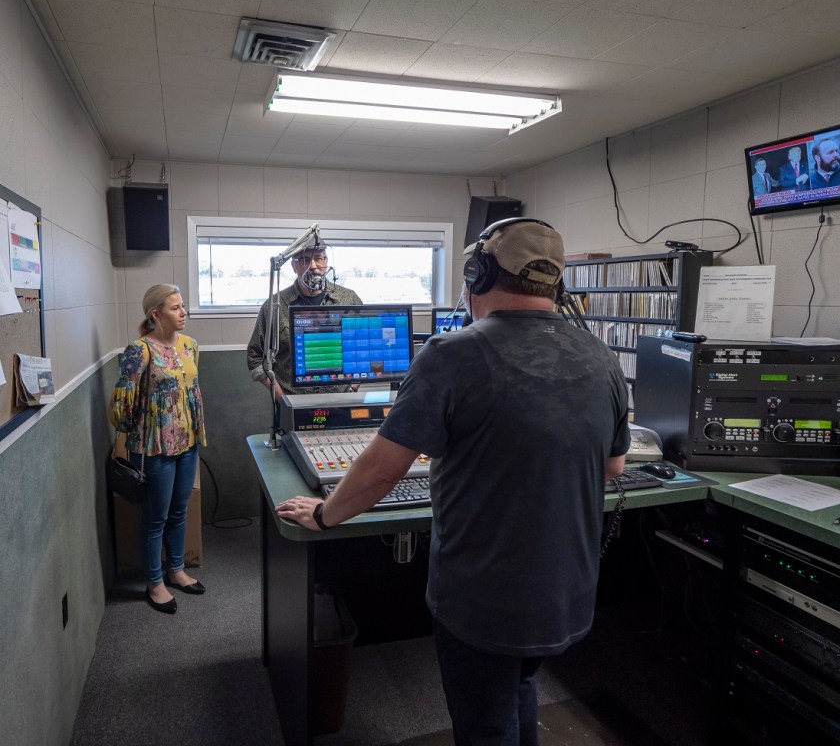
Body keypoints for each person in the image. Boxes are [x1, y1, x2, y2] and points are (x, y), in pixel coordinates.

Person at [277, 219, 630, 745]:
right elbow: (614, 467)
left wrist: (325, 513)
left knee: (485, 724)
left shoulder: (450, 353)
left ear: (477, 273)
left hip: (482, 601)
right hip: (564, 595)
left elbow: (380, 469)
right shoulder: (600, 355)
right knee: (519, 690)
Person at [108, 284, 207, 615]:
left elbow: (191, 391)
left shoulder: (191, 346)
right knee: (156, 517)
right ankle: (154, 582)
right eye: (176, 307)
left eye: (183, 307)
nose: (183, 313)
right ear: (156, 314)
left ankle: (176, 570)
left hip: (187, 442)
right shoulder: (139, 350)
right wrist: (132, 425)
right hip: (154, 448)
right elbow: (122, 403)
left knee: (179, 510)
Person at [246, 242, 363, 408]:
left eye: (318, 259)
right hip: (292, 401)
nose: (313, 266)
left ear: (326, 262)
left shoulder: (349, 300)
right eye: (304, 260)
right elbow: (255, 357)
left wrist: (352, 388)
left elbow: (364, 347)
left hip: (340, 401)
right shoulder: (274, 305)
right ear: (294, 266)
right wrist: (283, 400)